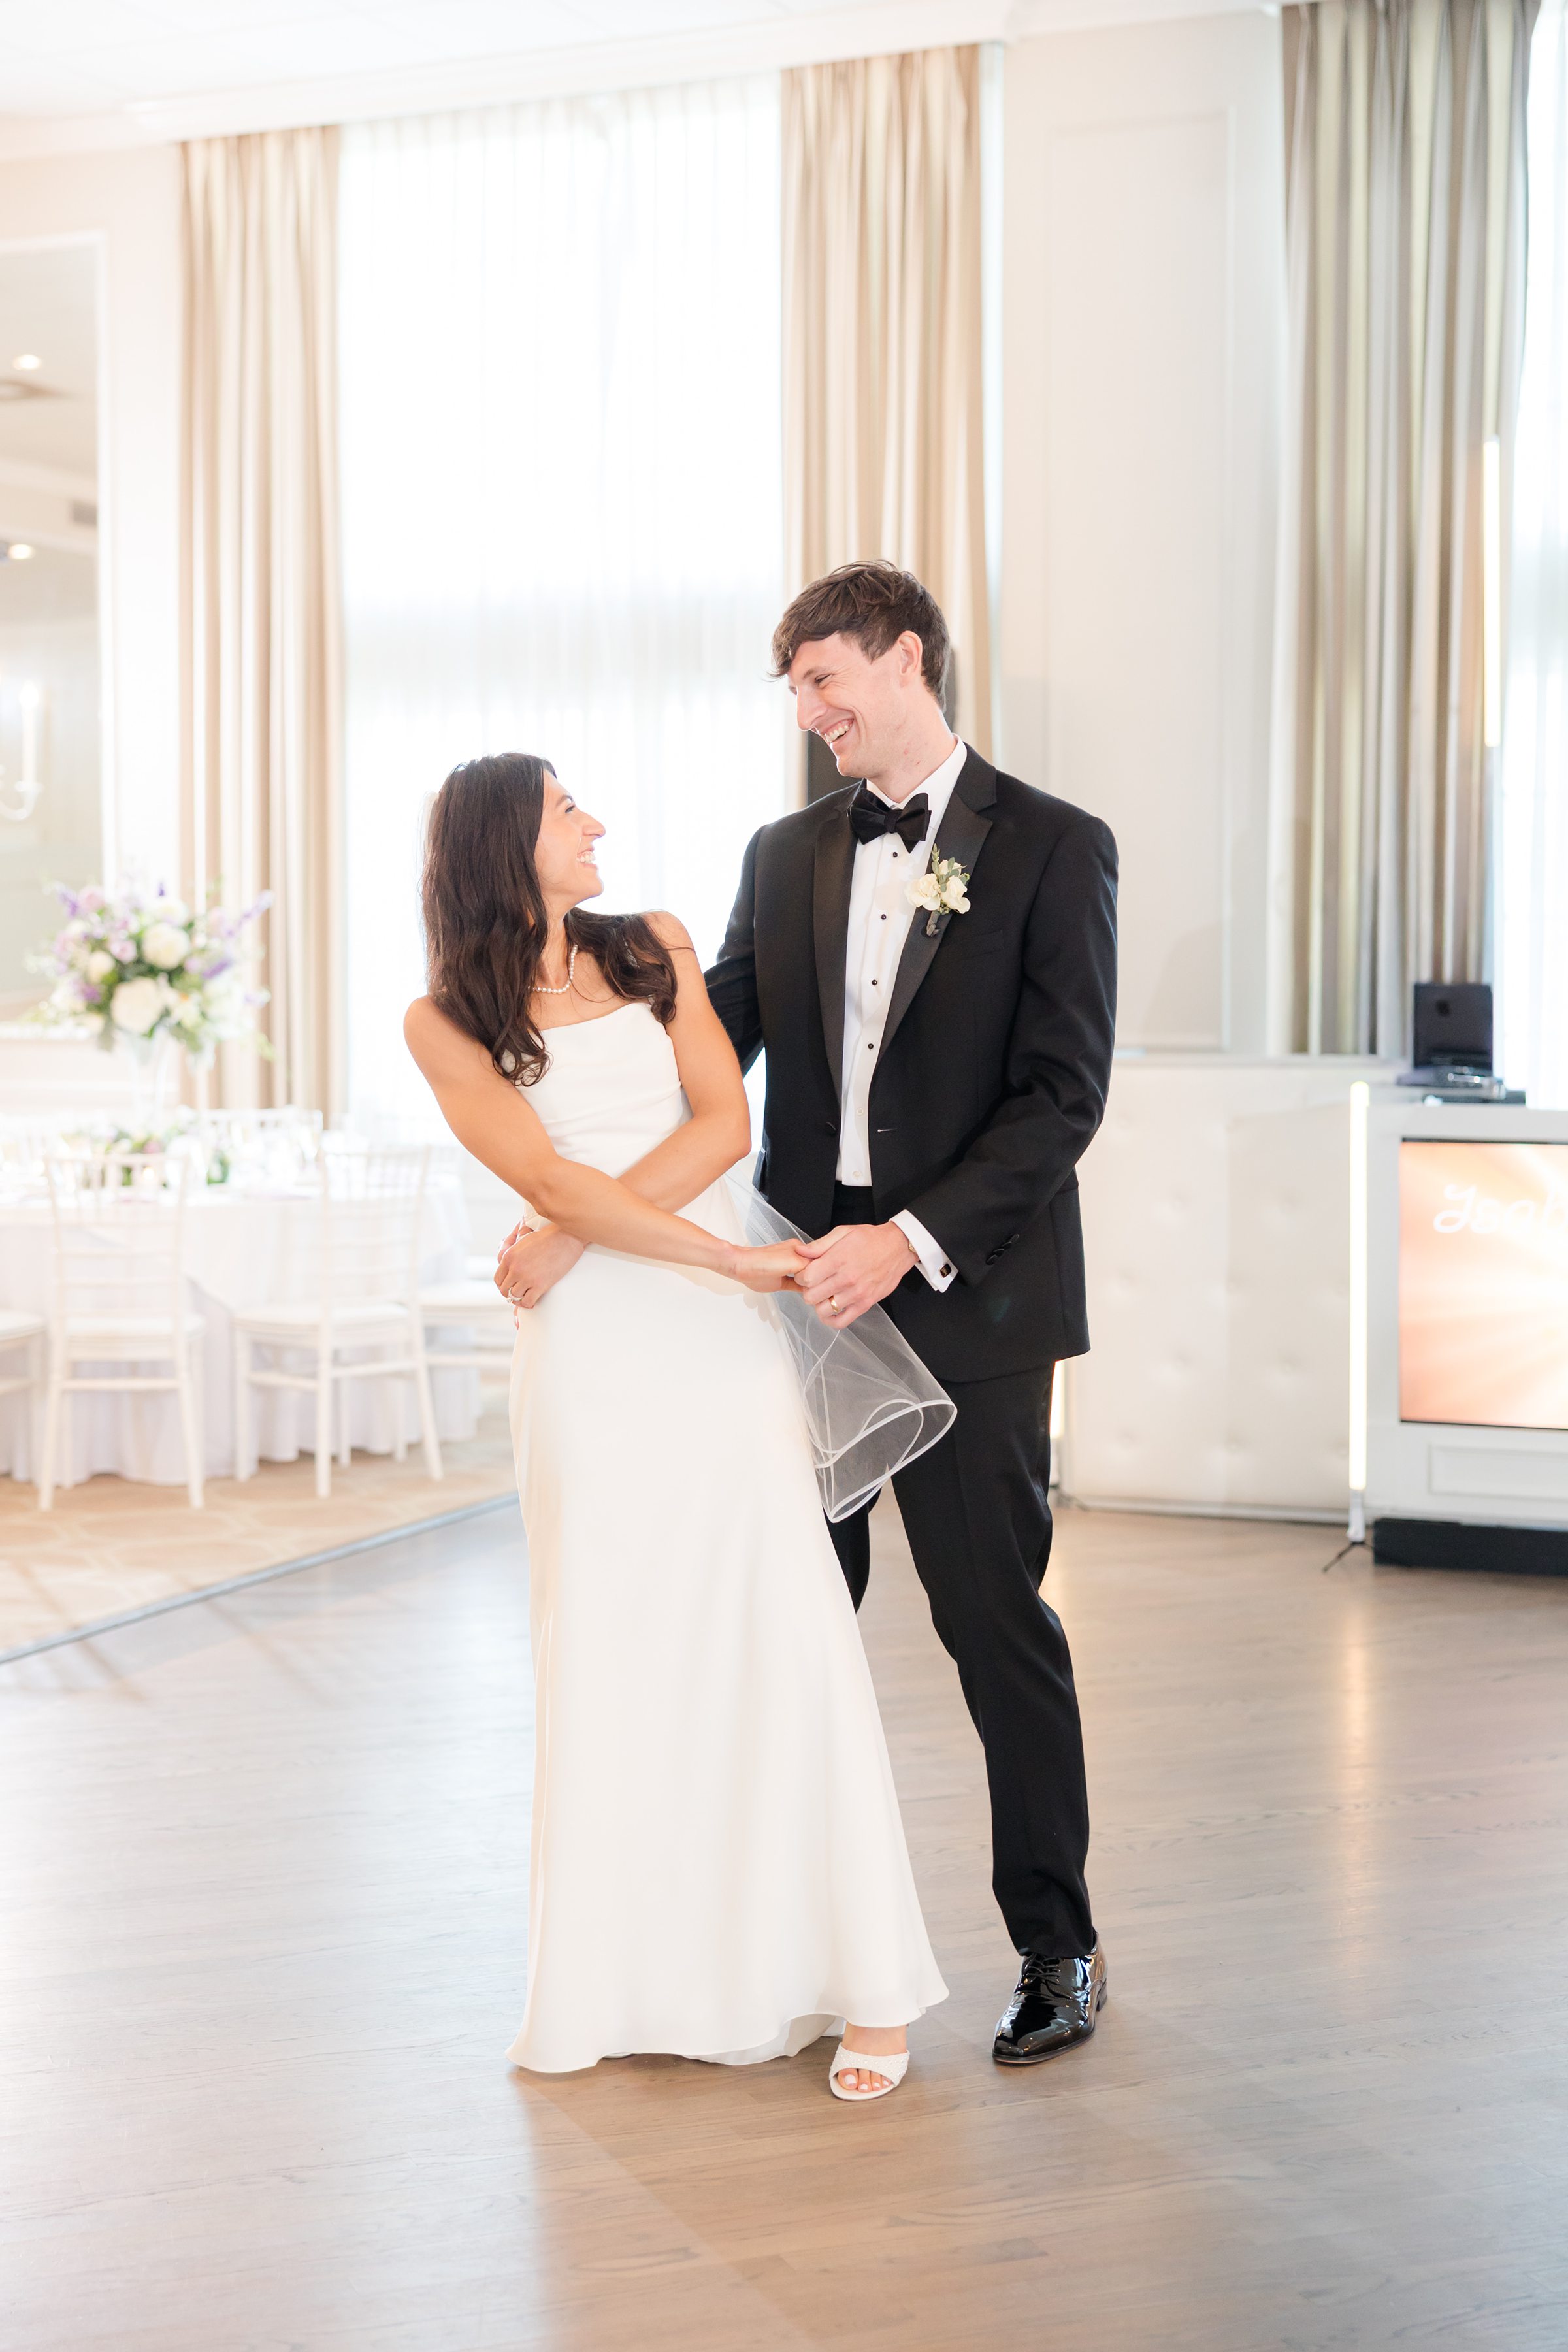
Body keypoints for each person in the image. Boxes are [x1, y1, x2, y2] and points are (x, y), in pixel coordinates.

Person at [406, 751, 947, 2098]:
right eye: (566, 809)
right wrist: (688, 1255)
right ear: (501, 844)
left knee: (783, 1623)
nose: (595, 824)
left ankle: (863, 1981)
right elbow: (537, 1174)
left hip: (706, 1345)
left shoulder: (653, 944)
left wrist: (616, 1247)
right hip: (592, 1367)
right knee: (611, 1647)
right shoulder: (440, 1021)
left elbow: (724, 1123)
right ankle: (628, 1980)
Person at [702, 561, 1118, 2068]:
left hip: (970, 1306)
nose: (811, 714)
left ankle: (1057, 1950)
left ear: (906, 660)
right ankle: (784, 1946)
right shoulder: (784, 851)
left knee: (993, 1625)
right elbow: (715, 1049)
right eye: (798, 691)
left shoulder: (1058, 847)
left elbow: (1063, 1098)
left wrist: (912, 1240)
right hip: (803, 1304)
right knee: (791, 1624)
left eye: (826, 680)